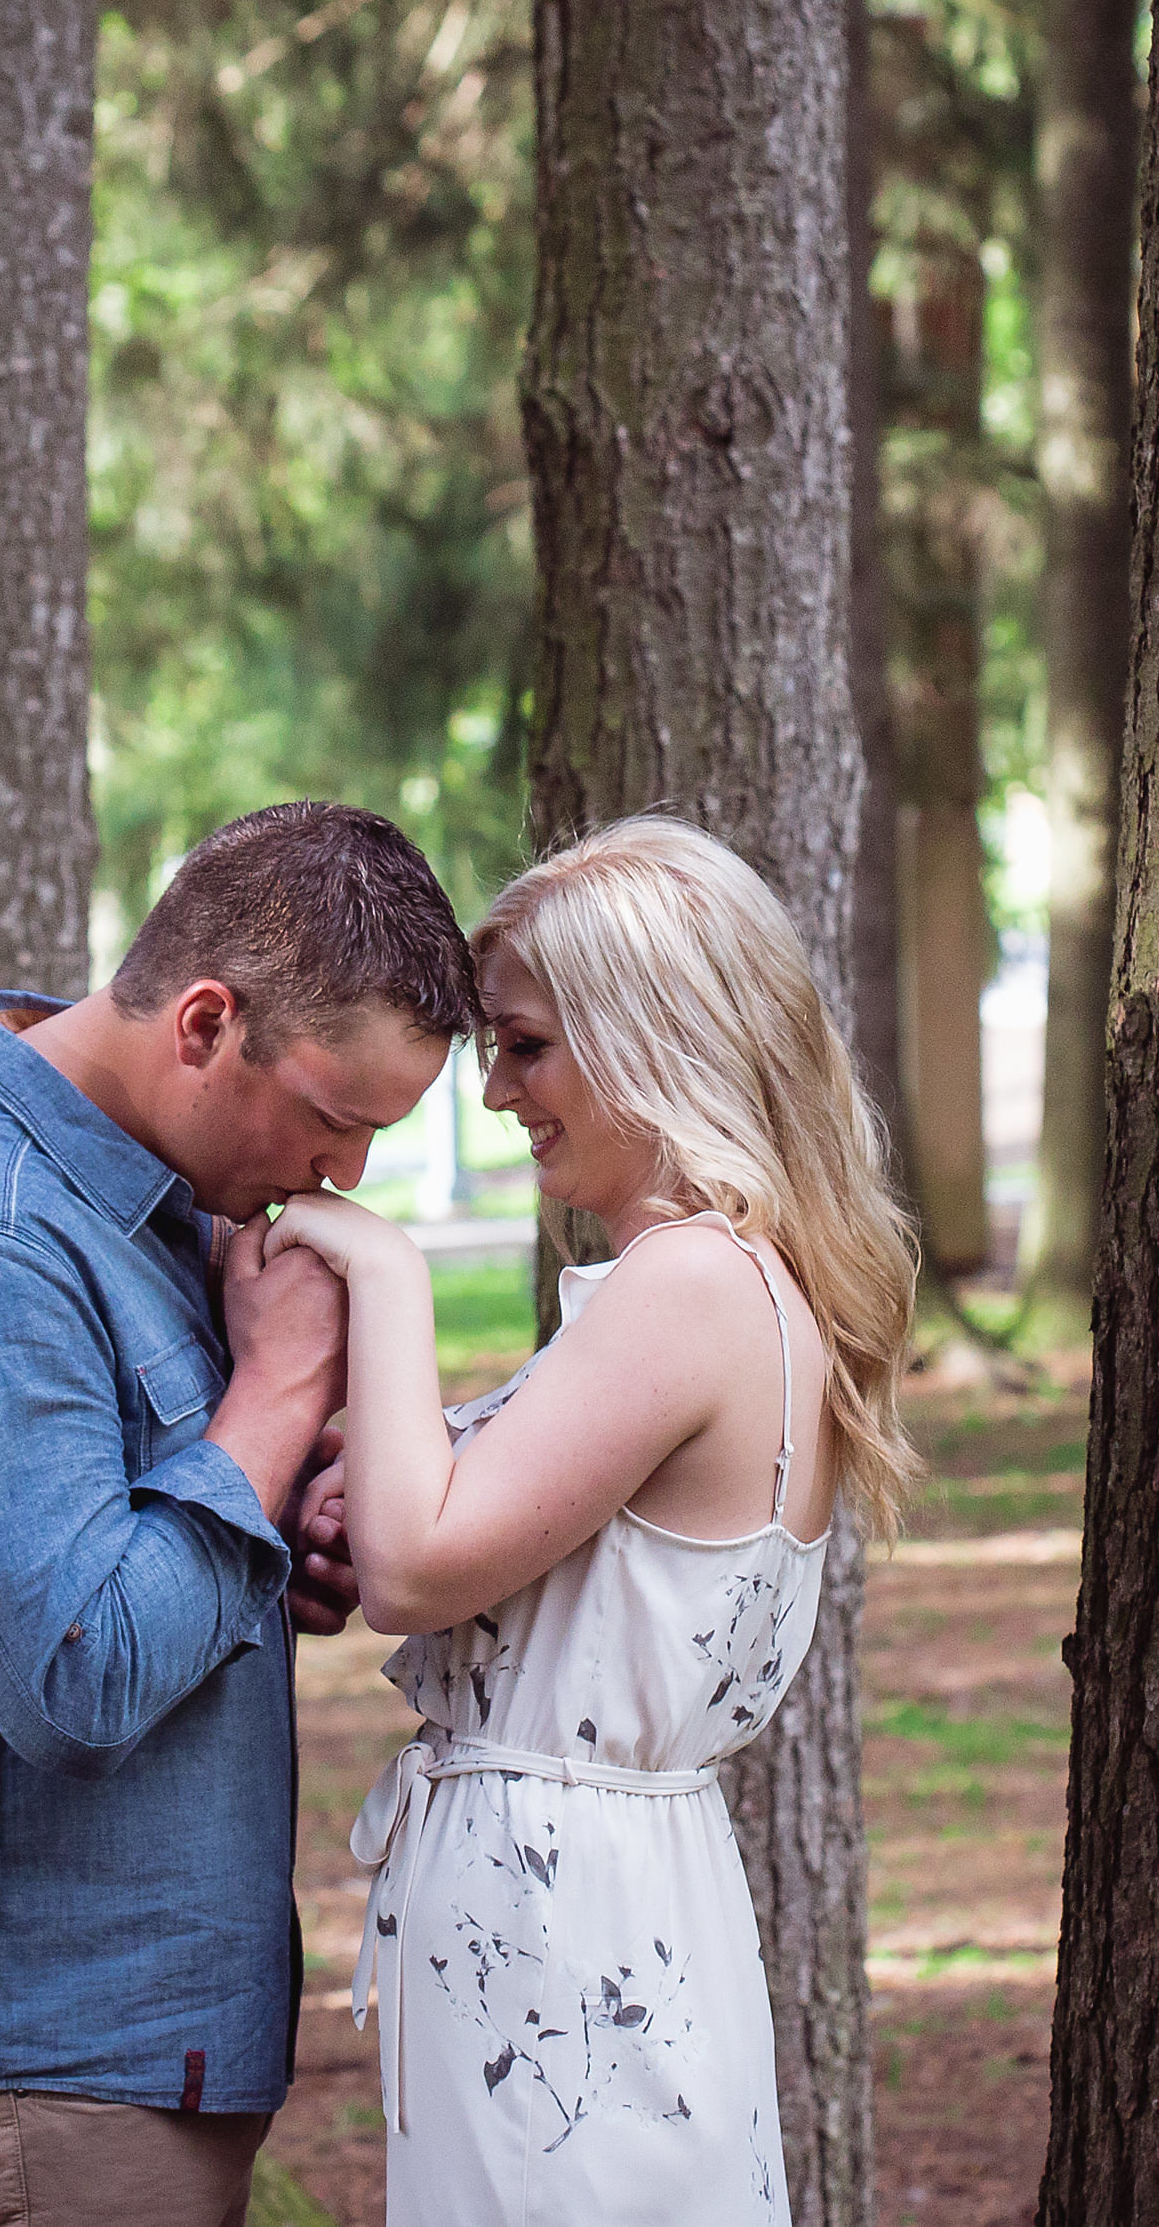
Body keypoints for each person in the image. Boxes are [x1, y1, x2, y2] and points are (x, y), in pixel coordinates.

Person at [0, 801, 478, 2227]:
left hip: (114, 2064)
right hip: (33, 2081)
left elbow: (78, 1566)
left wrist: (258, 1542)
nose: (344, 1179)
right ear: (205, 1023)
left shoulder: (143, 1211)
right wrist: (273, 1399)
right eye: (333, 1121)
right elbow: (78, 1674)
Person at [264, 815, 920, 2223]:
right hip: (593, 1902)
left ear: (653, 1036)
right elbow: (490, 1533)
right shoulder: (726, 1283)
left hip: (568, 1925)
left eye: (525, 1045)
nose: (497, 1092)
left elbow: (419, 1568)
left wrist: (382, 1275)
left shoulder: (689, 1285)